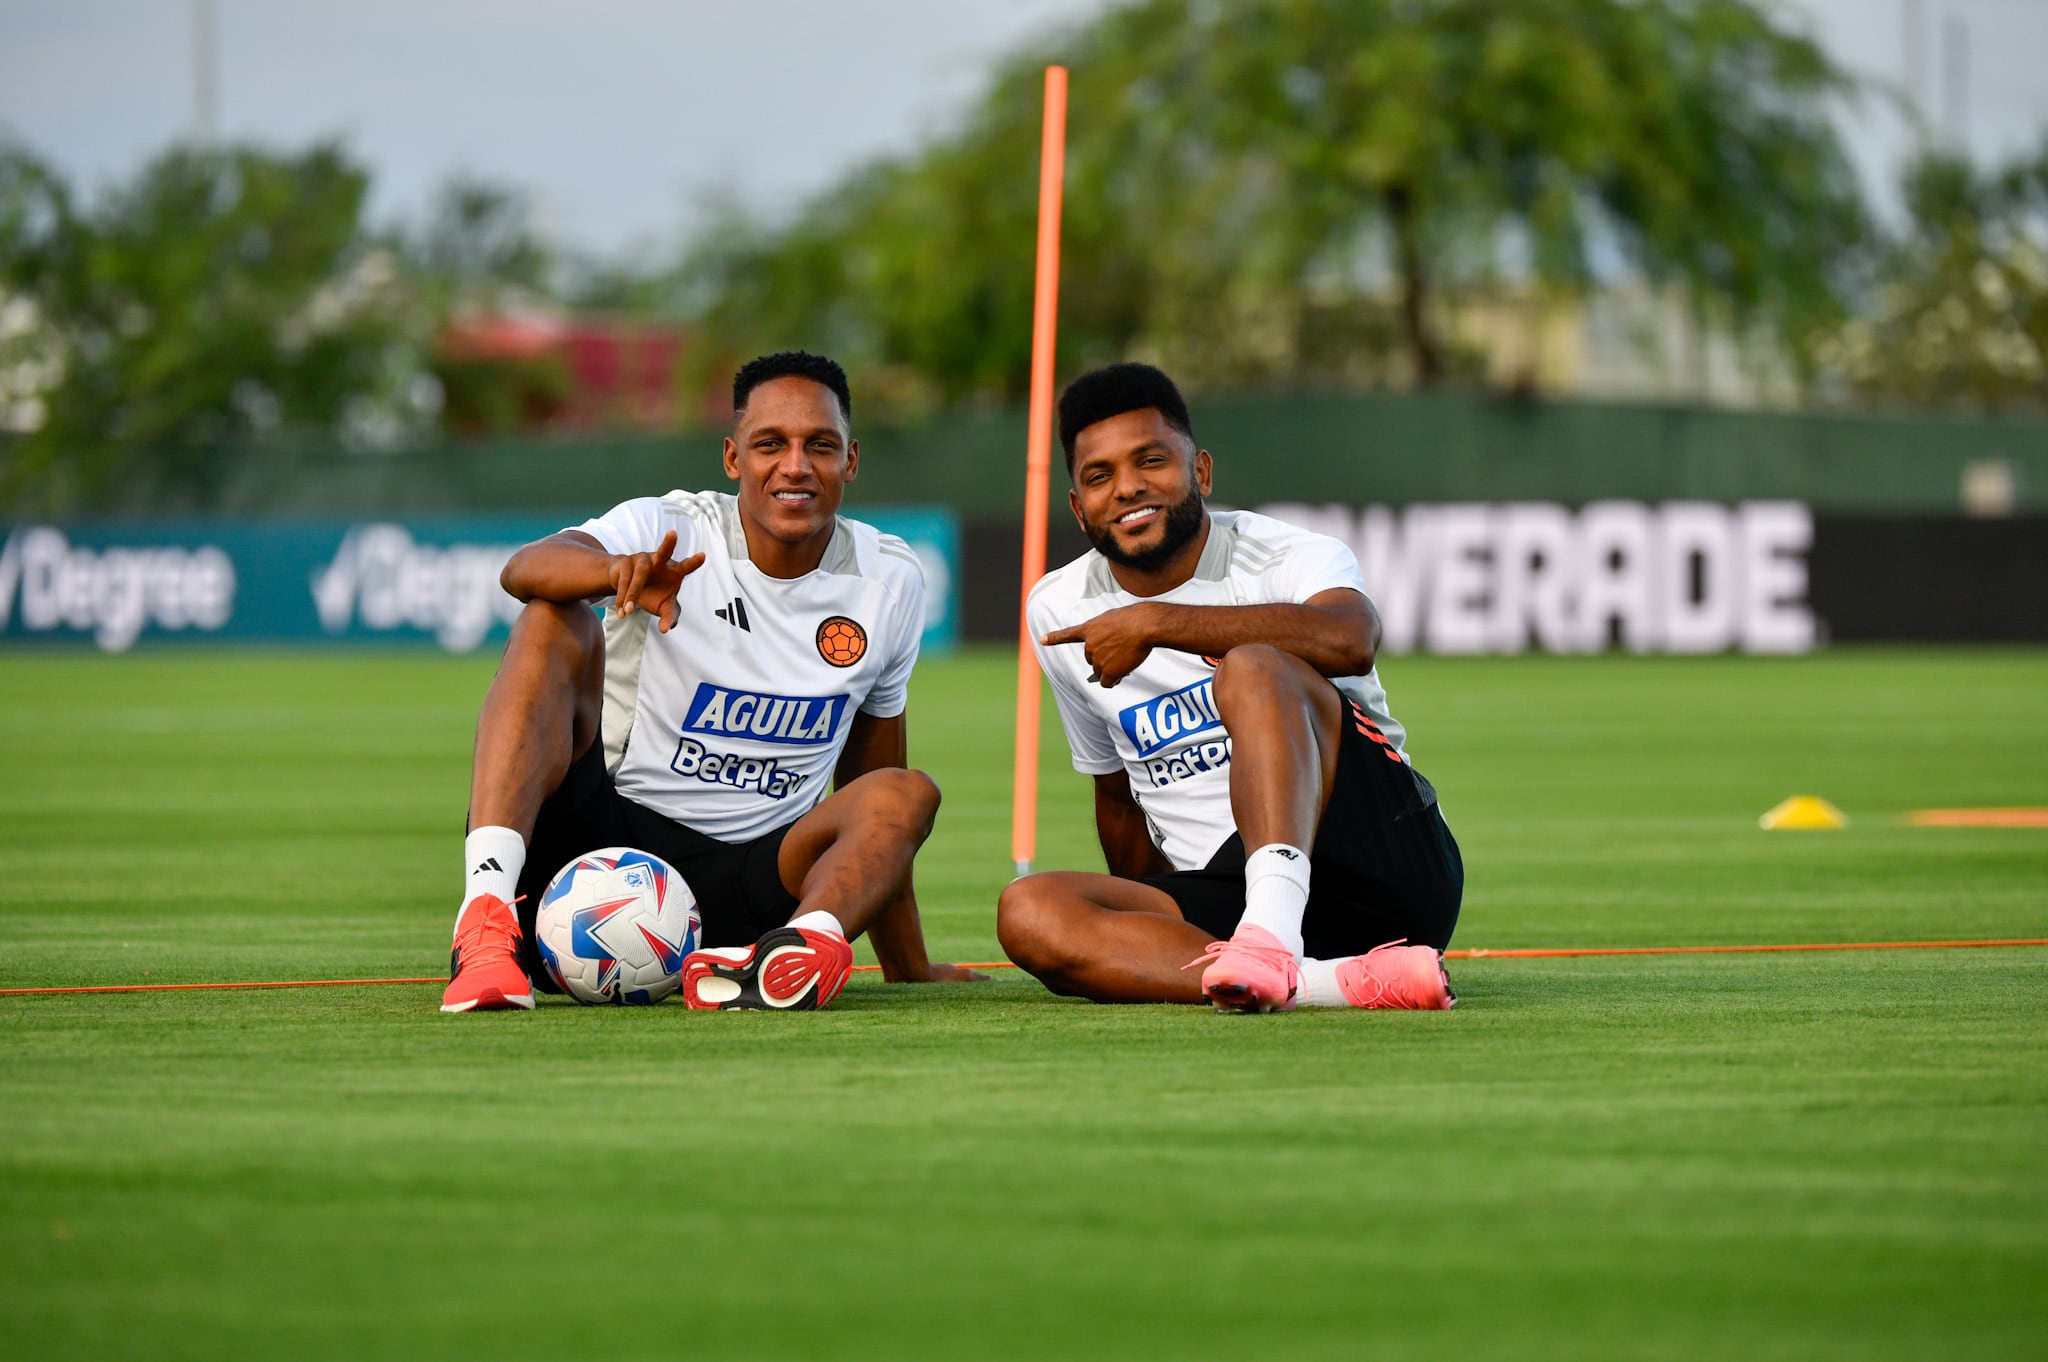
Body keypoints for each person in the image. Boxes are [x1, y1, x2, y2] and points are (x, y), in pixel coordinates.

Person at [443, 350, 976, 1013]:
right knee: (553, 616)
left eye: (821, 445)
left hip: (747, 895)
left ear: (852, 460)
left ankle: (794, 955)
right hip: (592, 856)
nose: (796, 466)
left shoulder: (890, 580)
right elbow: (525, 569)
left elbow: (872, 783)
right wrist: (616, 572)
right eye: (770, 444)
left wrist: (908, 967)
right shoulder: (669, 527)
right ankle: (487, 923)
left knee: (906, 793)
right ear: (732, 459)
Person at [997, 363, 1462, 1012]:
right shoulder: (1056, 607)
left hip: (1379, 862)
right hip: (1227, 889)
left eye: (1150, 461)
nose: (1127, 488)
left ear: (1201, 472)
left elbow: (1352, 637)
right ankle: (1322, 984)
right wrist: (1137, 935)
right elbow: (1117, 794)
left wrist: (1158, 623)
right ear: (1077, 506)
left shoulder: (1283, 555)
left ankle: (1271, 939)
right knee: (1029, 910)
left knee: (1251, 667)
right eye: (1099, 476)